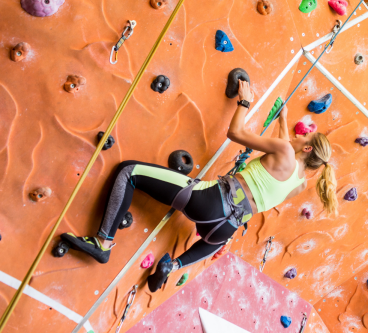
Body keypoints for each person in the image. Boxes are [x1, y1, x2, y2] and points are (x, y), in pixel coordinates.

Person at [61, 80, 337, 291]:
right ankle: (173, 266)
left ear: (308, 147)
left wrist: (245, 102)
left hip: (211, 200)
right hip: (224, 230)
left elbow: (236, 133)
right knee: (204, 245)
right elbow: (283, 153)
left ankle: (103, 241)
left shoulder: (285, 151)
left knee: (128, 171)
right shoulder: (299, 185)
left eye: (306, 136)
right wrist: (283, 119)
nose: (299, 135)